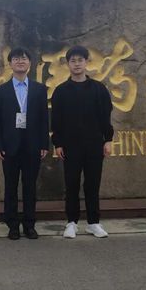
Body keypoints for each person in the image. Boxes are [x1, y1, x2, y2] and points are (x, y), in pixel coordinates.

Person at [51, 45, 114, 238]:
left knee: (92, 184)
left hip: (94, 144)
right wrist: (58, 143)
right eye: (73, 61)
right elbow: (56, 120)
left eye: (80, 60)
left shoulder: (99, 89)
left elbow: (105, 116)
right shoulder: (61, 91)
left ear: (87, 62)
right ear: (68, 64)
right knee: (71, 184)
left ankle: (93, 222)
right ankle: (71, 222)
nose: (77, 64)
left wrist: (108, 139)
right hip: (70, 146)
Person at [0, 47, 49, 240]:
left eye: (24, 58)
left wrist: (44, 144)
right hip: (9, 147)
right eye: (16, 59)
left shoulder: (39, 89)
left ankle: (29, 224)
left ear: (29, 63)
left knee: (30, 187)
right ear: (10, 64)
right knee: (10, 187)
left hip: (33, 145)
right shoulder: (1, 91)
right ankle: (12, 225)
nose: (20, 61)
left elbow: (44, 119)